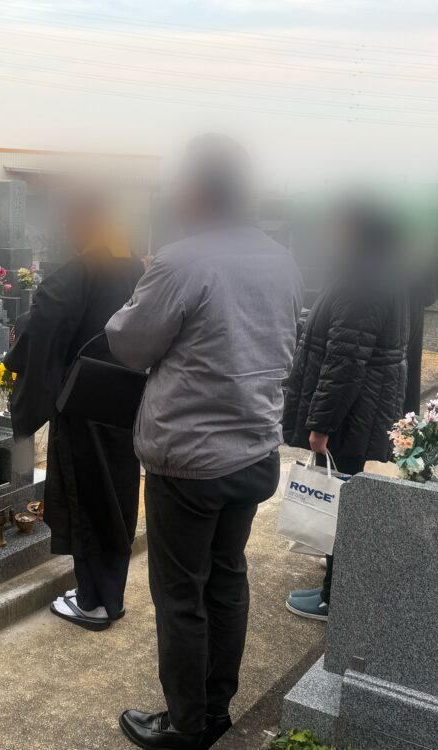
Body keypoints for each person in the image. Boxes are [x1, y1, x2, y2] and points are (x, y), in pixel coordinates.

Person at [106, 134, 303, 750]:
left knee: (180, 594)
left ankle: (186, 725)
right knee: (226, 578)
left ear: (197, 189)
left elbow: (129, 344)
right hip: (253, 449)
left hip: (190, 458)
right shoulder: (281, 259)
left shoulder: (181, 260)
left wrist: (143, 290)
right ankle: (216, 710)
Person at [4, 189, 144, 632]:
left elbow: (43, 329)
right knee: (117, 497)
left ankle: (93, 603)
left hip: (84, 402)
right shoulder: (132, 266)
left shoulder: (80, 270)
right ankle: (110, 596)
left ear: (83, 224)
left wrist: (16, 356)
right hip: (126, 400)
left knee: (87, 499)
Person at [281, 199, 411, 621]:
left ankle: (334, 597)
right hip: (363, 407)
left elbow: (346, 360)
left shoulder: (361, 279)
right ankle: (337, 583)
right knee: (344, 494)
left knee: (338, 498)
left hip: (351, 412)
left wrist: (322, 424)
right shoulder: (381, 268)